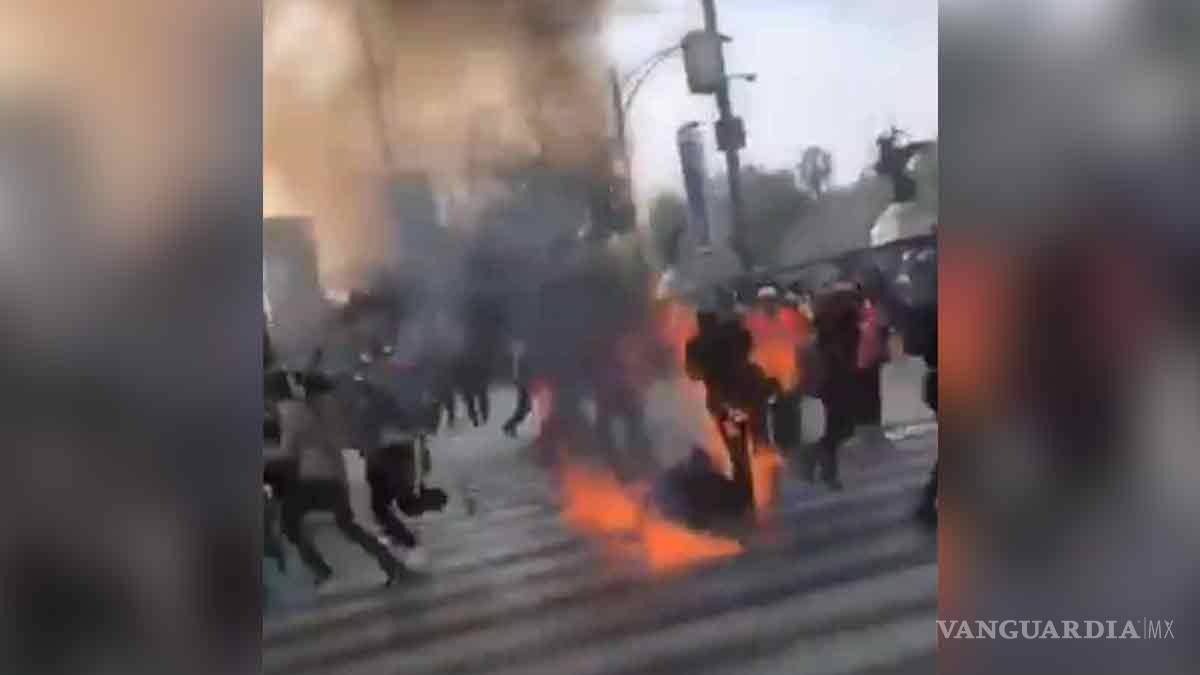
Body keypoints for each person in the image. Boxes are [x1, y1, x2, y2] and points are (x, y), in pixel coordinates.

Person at [276, 372, 400, 587]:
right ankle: (388, 562)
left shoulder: (296, 410)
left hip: (319, 475)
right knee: (348, 525)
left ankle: (321, 569)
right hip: (338, 470)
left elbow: (290, 449)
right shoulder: (326, 405)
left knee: (289, 521)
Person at [502, 338, 531, 437]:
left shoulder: (520, 349)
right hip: (524, 381)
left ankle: (509, 426)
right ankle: (509, 426)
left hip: (522, 380)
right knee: (525, 407)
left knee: (525, 407)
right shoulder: (523, 350)